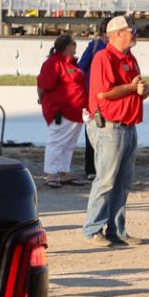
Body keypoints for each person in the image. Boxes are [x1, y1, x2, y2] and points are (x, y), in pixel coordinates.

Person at [82, 15, 149, 247]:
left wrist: (143, 90)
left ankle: (116, 229)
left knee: (122, 182)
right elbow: (103, 94)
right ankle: (93, 229)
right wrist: (132, 88)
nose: (135, 33)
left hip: (128, 126)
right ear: (118, 33)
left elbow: (136, 88)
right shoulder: (104, 57)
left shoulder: (129, 58)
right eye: (131, 29)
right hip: (110, 126)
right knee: (106, 180)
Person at [37, 33, 87, 188]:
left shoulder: (71, 63)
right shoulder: (53, 63)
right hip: (61, 111)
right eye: (73, 43)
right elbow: (43, 85)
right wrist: (43, 100)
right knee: (56, 142)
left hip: (75, 110)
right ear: (67, 46)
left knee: (69, 144)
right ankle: (51, 175)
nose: (75, 45)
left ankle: (65, 173)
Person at [77, 20, 109, 179]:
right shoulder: (95, 45)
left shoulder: (121, 49)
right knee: (92, 131)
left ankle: (105, 167)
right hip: (93, 96)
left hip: (111, 97)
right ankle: (91, 169)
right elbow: (81, 67)